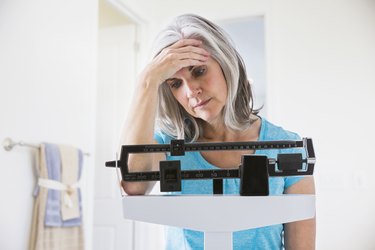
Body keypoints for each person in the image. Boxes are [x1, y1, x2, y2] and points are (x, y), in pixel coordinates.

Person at [120, 14, 315, 250]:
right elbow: (132, 185)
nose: (191, 91)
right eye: (175, 83)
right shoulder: (166, 144)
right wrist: (147, 80)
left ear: (225, 64)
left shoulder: (286, 146)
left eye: (199, 70)